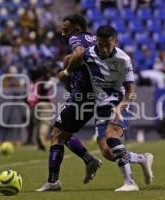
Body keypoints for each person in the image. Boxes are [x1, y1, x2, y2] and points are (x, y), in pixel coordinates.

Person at [80, 25, 153, 191]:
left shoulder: (123, 59)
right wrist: (66, 70)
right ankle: (142, 159)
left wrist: (121, 106)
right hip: (100, 108)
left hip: (119, 103)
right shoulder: (88, 54)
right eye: (101, 45)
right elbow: (73, 58)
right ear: (96, 42)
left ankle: (130, 182)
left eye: (108, 45)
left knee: (112, 135)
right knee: (107, 152)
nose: (104, 49)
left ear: (116, 42)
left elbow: (131, 90)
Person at [36, 14, 102, 192]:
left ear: (77, 29)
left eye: (66, 30)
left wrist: (66, 72)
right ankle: (90, 160)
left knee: (57, 135)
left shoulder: (76, 39)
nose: (63, 33)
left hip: (81, 96)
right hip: (95, 96)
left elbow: (79, 54)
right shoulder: (96, 39)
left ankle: (53, 182)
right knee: (63, 133)